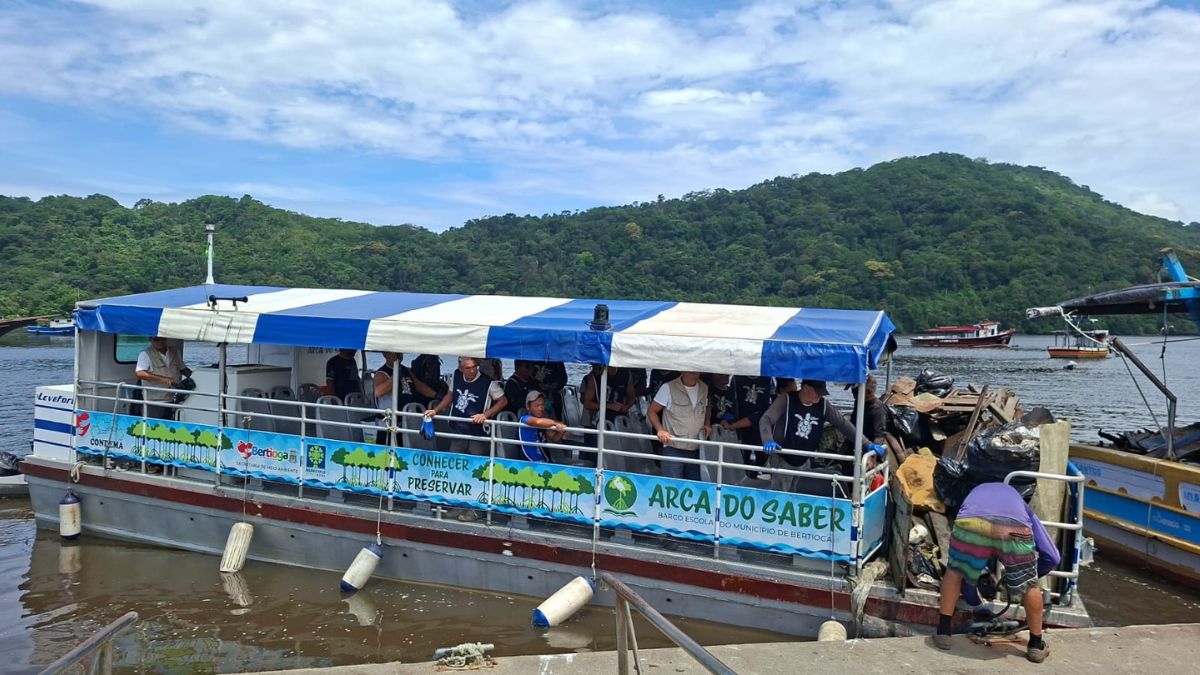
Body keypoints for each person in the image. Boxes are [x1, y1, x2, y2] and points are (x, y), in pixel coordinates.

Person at [934, 482, 1061, 663]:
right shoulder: (1021, 505)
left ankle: (943, 633)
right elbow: (1053, 557)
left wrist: (976, 604)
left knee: (954, 572)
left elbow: (965, 573)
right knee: (1030, 586)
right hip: (1012, 526)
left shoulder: (972, 496)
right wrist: (1022, 578)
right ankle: (1035, 645)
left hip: (971, 522)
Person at [758, 379, 885, 493]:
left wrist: (867, 444)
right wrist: (768, 440)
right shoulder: (786, 400)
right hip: (783, 457)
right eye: (818, 392)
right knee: (781, 493)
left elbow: (844, 425)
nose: (821, 395)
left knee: (802, 492)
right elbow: (766, 419)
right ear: (806, 388)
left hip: (806, 457)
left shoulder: (823, 405)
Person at [423, 356, 507, 456]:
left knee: (476, 464)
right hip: (457, 429)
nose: (472, 371)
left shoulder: (488, 382)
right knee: (455, 460)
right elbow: (450, 395)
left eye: (474, 367)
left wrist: (484, 415)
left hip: (477, 432)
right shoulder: (457, 375)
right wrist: (435, 410)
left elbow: (503, 401)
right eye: (468, 368)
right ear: (461, 369)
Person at [647, 371, 711, 482]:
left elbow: (706, 408)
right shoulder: (668, 387)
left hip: (696, 448)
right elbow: (651, 411)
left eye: (697, 370)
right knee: (672, 488)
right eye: (691, 371)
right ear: (682, 370)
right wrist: (660, 430)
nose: (694, 374)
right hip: (673, 448)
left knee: (693, 488)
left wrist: (707, 424)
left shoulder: (704, 388)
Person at [373, 352, 436, 444]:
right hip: (392, 420)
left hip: (408, 416)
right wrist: (396, 374)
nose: (398, 354)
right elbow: (378, 392)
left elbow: (418, 386)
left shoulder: (405, 370)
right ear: (386, 354)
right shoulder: (382, 373)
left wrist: (437, 395)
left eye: (399, 352)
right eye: (394, 353)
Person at [135, 336, 192, 420]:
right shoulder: (145, 354)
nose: (160, 341)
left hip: (174, 399)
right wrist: (163, 379)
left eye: (162, 339)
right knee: (154, 428)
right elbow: (140, 373)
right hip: (155, 401)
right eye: (156, 340)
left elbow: (183, 369)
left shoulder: (175, 352)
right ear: (151, 340)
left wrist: (196, 377)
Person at [729, 374, 774, 478]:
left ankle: (754, 473)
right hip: (741, 425)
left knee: (761, 455)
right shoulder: (736, 378)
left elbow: (768, 405)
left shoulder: (768, 379)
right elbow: (732, 400)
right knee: (742, 455)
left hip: (761, 426)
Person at [518, 390, 568, 462]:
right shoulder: (525, 419)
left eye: (542, 405)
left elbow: (555, 438)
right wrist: (556, 423)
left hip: (544, 460)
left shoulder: (544, 422)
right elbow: (538, 422)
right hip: (530, 462)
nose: (540, 409)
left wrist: (561, 431)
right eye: (537, 406)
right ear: (528, 407)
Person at [845, 374, 887, 446]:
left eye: (856, 390)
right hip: (854, 441)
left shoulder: (877, 409)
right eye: (853, 390)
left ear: (868, 391)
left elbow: (879, 436)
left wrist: (873, 453)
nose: (853, 392)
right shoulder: (858, 403)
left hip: (867, 444)